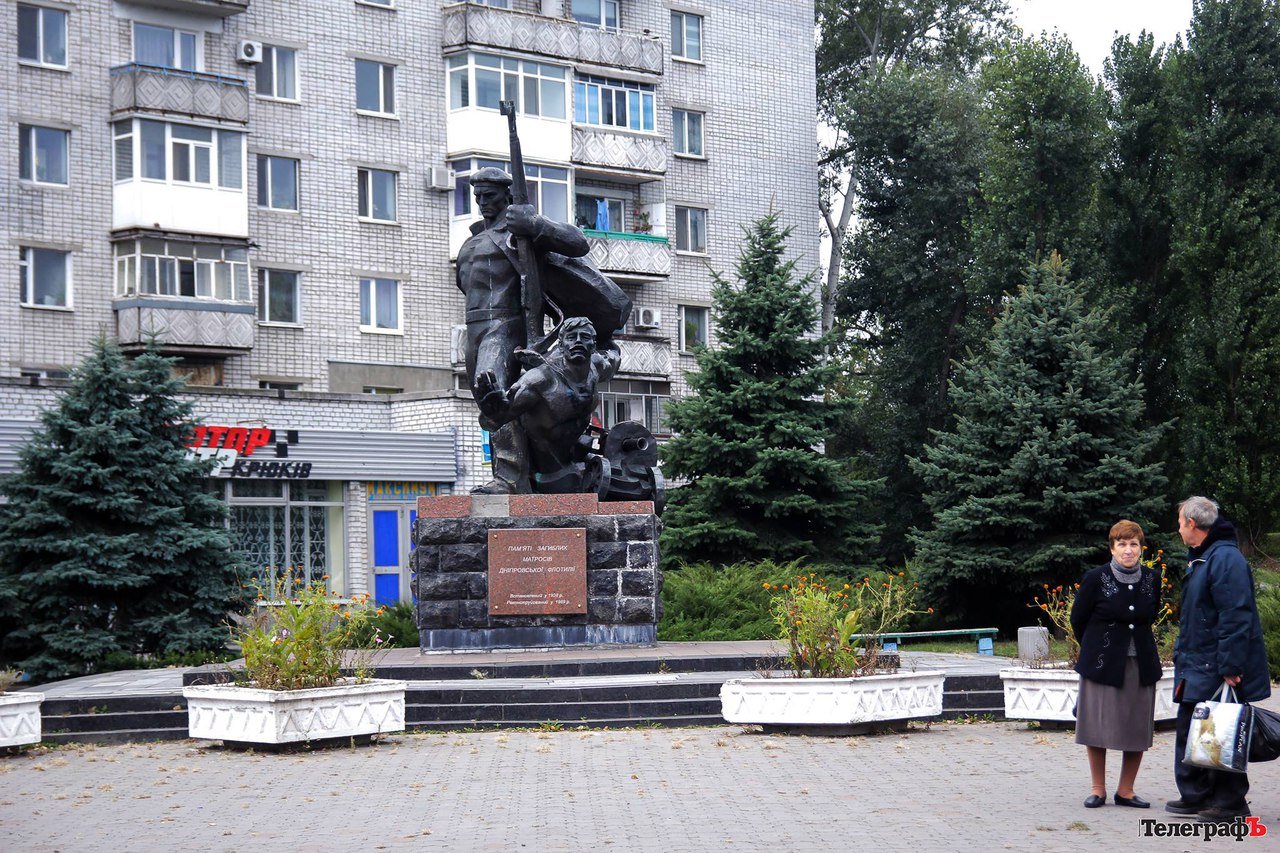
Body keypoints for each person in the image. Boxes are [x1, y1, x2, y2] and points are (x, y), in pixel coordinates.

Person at [455, 167, 590, 494]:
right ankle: (515, 476)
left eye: (489, 195)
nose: (482, 202)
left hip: (505, 323)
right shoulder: (472, 240)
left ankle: (509, 478)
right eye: (478, 196)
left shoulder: (520, 232)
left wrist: (536, 224)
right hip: (474, 326)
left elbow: (578, 243)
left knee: (494, 388)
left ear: (506, 195)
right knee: (487, 401)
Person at [1166, 496, 1271, 822]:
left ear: (1192, 524)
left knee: (1222, 730)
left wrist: (1231, 665)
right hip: (1199, 661)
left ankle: (1230, 801)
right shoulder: (1205, 556)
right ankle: (1196, 795)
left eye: (1180, 523)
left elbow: (1235, 615)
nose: (1178, 529)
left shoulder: (1225, 559)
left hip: (1215, 664)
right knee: (1193, 727)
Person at [1070, 520, 1163, 809]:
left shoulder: (1152, 578)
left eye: (1133, 544)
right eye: (1122, 544)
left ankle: (1126, 790)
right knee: (1097, 725)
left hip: (1141, 663)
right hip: (1101, 665)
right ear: (1112, 548)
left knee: (1136, 726)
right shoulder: (1096, 578)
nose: (1128, 550)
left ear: (1141, 548)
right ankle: (1098, 789)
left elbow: (1150, 615)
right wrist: (1096, 647)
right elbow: (1078, 618)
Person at [474, 317, 619, 493]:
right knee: (508, 424)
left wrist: (611, 335)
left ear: (593, 345)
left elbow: (613, 359)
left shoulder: (596, 366)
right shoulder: (539, 380)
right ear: (561, 345)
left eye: (585, 337)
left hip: (572, 460)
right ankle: (506, 482)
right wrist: (492, 412)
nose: (578, 341)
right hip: (539, 466)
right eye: (572, 337)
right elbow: (495, 422)